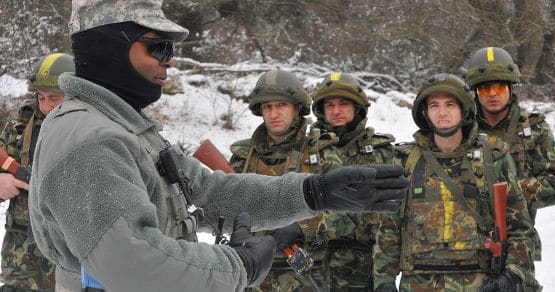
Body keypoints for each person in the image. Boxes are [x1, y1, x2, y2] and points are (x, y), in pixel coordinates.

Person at [27, 1, 407, 291]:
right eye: (158, 48)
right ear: (109, 46)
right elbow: (133, 264)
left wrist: (314, 191)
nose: (171, 61)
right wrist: (239, 266)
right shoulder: (88, 141)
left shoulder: (124, 127)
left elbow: (208, 192)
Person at [373, 73, 536, 291]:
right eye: (434, 106)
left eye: (450, 104)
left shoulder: (493, 159)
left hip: (479, 283)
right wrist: (383, 280)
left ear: (464, 110)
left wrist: (513, 274)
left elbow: (519, 227)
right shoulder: (406, 161)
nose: (442, 113)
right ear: (425, 113)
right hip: (418, 284)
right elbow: (389, 229)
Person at [228, 69, 341, 291]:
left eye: (281, 105)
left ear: (297, 107)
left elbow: (347, 214)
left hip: (304, 275)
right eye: (267, 107)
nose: (273, 113)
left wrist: (302, 228)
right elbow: (225, 202)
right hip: (252, 272)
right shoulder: (244, 155)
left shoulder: (323, 153)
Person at [465, 47, 555, 269]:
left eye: (499, 86)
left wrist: (512, 193)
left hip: (518, 240)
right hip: (469, 242)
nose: (492, 93)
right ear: (475, 92)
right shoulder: (462, 131)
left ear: (510, 87)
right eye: (484, 88)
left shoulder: (534, 129)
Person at [310, 72, 396, 290]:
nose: (336, 111)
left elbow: (395, 212)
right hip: (314, 264)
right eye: (329, 105)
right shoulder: (306, 150)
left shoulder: (382, 152)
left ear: (358, 108)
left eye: (343, 104)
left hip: (366, 264)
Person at [0, 52, 74, 291]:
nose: (46, 106)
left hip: (72, 253)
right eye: (41, 97)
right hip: (21, 254)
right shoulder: (19, 127)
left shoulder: (91, 129)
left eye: (54, 98)